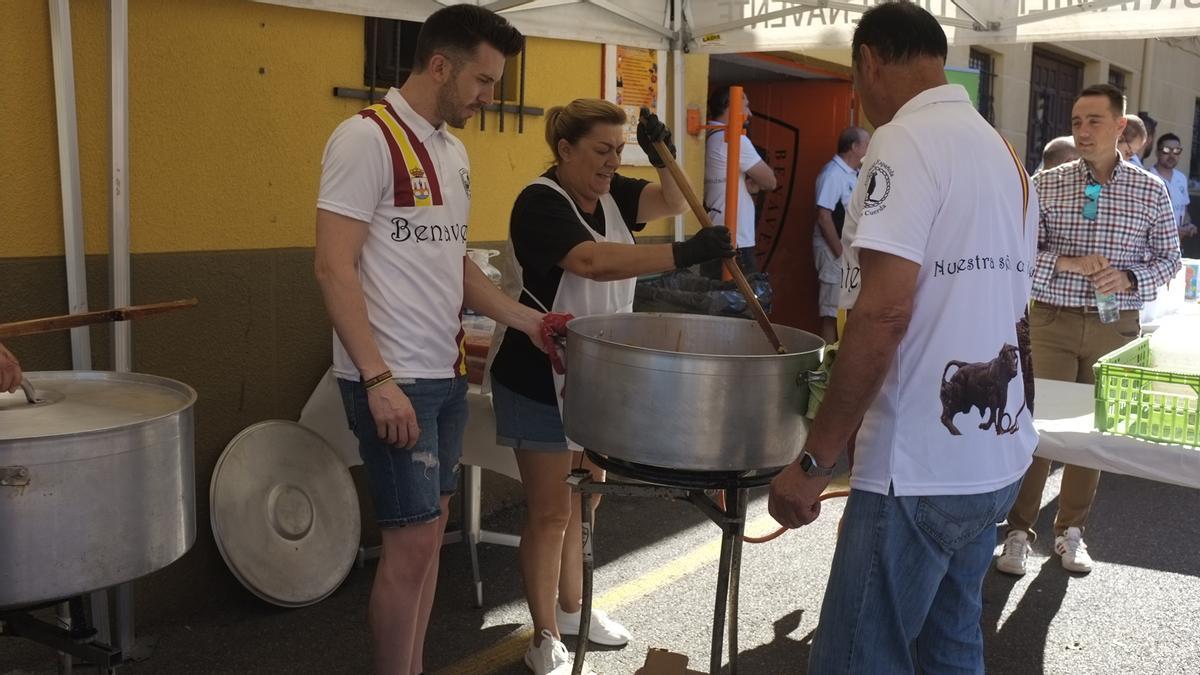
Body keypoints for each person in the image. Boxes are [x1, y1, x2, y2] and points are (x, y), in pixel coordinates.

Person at [767, 3, 1038, 672]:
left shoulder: (903, 140)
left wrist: (814, 461)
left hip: (918, 470)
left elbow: (884, 314)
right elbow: (1015, 308)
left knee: (859, 658)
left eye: (856, 81)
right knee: (950, 647)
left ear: (870, 62)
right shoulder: (1003, 151)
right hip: (995, 463)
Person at [313, 7, 551, 674]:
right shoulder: (363, 138)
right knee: (412, 546)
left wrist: (527, 319)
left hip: (445, 376)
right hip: (395, 379)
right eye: (482, 80)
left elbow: (457, 266)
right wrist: (377, 377)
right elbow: (333, 266)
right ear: (439, 65)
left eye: (496, 84)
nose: (489, 97)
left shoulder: (453, 151)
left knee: (427, 542)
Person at [488, 99, 730, 675]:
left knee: (587, 501)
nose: (610, 164)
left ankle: (575, 607)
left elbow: (671, 200)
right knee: (550, 512)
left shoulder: (615, 193)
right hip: (538, 375)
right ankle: (544, 634)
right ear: (565, 149)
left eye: (619, 152)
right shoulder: (539, 203)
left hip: (598, 377)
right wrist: (682, 254)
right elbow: (592, 262)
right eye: (601, 151)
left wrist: (662, 156)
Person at [996, 84, 1181, 577]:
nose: (1082, 130)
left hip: (1114, 323)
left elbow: (1170, 259)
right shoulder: (1048, 182)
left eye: (1094, 120)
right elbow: (1018, 256)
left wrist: (1129, 276)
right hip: (1051, 321)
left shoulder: (1150, 189)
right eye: (1077, 121)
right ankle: (1018, 531)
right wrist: (1070, 264)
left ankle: (1070, 532)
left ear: (1121, 127)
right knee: (1039, 429)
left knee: (1091, 432)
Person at [704, 86, 778, 273]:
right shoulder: (734, 140)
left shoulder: (707, 135)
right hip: (736, 239)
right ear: (731, 106)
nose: (749, 114)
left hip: (713, 233)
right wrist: (754, 182)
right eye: (745, 106)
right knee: (742, 300)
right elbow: (770, 181)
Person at [813, 127, 869, 344]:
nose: (869, 148)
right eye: (867, 143)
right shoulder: (833, 174)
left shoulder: (855, 174)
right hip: (834, 251)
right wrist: (839, 252)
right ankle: (827, 364)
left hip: (850, 254)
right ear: (854, 147)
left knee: (848, 308)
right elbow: (824, 216)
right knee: (831, 311)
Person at [1151, 132, 1196, 238]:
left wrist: (1187, 225)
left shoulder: (1181, 178)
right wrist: (1171, 231)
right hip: (1154, 245)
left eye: (1176, 151)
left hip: (1177, 245)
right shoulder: (1148, 178)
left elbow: (1183, 210)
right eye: (1166, 150)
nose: (1172, 155)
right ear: (1157, 152)